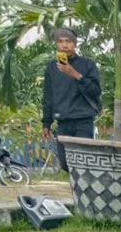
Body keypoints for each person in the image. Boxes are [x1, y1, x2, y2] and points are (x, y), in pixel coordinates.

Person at [42, 27, 102, 172]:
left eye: (68, 41)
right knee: (65, 164)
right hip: (63, 121)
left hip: (83, 120)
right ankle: (79, 189)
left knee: (83, 161)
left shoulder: (88, 65)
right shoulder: (51, 67)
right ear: (56, 44)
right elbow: (48, 96)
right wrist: (46, 123)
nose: (64, 45)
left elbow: (95, 91)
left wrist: (75, 74)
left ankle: (85, 192)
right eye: (60, 41)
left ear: (75, 44)